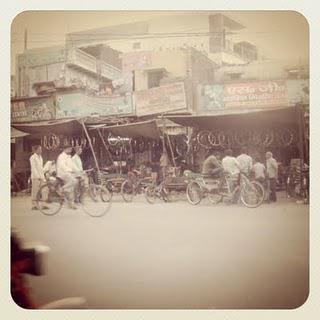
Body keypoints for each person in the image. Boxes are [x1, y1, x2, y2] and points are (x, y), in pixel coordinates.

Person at [56, 144, 78, 209]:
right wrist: (69, 170)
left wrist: (79, 170)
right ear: (65, 149)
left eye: (71, 149)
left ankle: (71, 204)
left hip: (68, 173)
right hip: (62, 173)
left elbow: (73, 165)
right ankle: (62, 189)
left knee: (71, 188)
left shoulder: (69, 157)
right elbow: (62, 166)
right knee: (74, 181)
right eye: (69, 149)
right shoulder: (61, 156)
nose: (70, 150)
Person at [29, 145, 45, 210]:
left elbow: (41, 168)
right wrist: (37, 176)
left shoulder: (40, 157)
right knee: (35, 191)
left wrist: (43, 177)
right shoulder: (32, 157)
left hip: (41, 176)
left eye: (41, 149)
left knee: (43, 190)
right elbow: (34, 168)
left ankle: (42, 204)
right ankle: (34, 205)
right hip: (35, 177)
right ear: (35, 150)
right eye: (39, 149)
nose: (41, 150)